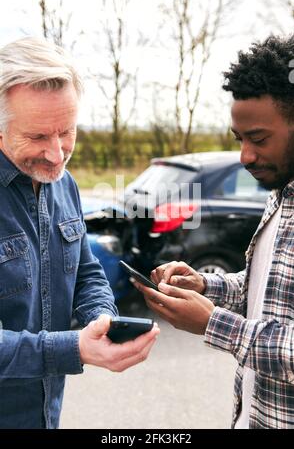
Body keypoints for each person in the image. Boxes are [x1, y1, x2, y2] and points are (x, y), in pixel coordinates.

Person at [134, 35, 294, 429]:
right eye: (239, 140)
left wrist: (212, 323)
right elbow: (266, 295)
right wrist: (205, 287)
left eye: (258, 139)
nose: (245, 157)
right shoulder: (280, 195)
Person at [0, 37, 159, 429]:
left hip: (46, 414)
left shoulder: (63, 183)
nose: (57, 154)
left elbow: (86, 270)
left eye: (66, 131)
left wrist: (102, 320)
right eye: (37, 137)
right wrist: (72, 348)